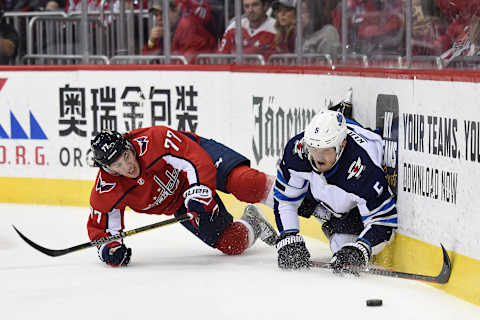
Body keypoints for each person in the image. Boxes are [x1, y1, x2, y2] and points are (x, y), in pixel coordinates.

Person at [88, 126, 278, 267]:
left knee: (245, 182)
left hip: (199, 157)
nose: (127, 167)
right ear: (107, 169)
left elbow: (194, 160)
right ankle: (253, 222)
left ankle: (296, 200)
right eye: (117, 165)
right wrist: (110, 248)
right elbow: (100, 228)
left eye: (126, 156)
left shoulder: (154, 140)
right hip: (179, 202)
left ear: (129, 145)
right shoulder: (106, 189)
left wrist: (200, 194)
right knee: (232, 243)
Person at [273, 109, 397, 272]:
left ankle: (332, 222)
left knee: (343, 247)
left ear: (342, 145)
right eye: (314, 148)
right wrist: (288, 235)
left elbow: (384, 221)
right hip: (325, 193)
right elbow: (285, 199)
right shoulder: (298, 150)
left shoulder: (364, 171)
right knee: (272, 188)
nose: (318, 157)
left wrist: (361, 248)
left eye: (326, 150)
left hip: (353, 210)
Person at [142, 0, 216, 63]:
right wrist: (151, 42)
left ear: (176, 11)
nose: (158, 19)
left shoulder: (187, 28)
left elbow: (184, 65)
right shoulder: (163, 30)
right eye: (156, 15)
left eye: (162, 13)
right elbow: (145, 61)